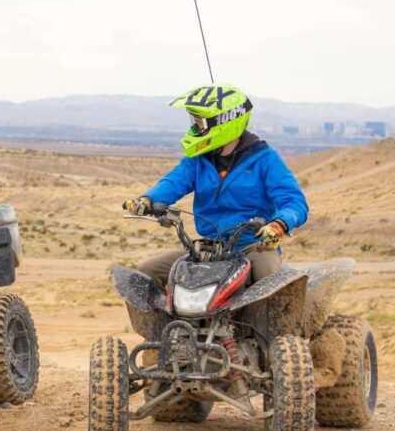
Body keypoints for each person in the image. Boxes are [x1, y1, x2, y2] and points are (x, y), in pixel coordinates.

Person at [123, 83, 308, 288]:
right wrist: (148, 199)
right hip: (209, 248)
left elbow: (295, 202)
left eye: (200, 123)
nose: (195, 128)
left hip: (253, 247)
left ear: (224, 122)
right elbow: (173, 182)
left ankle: (278, 321)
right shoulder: (199, 159)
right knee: (146, 272)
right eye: (195, 122)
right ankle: (169, 321)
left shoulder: (265, 160)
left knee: (269, 282)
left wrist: (279, 224)